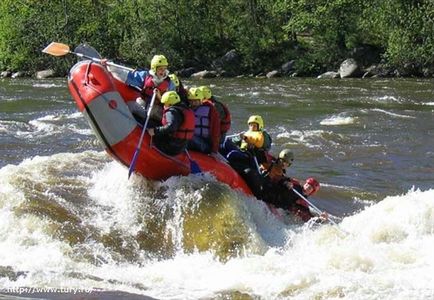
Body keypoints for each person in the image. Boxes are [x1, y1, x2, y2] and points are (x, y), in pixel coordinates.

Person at [147, 91, 195, 156]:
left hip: (170, 148)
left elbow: (171, 126)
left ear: (169, 104)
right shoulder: (184, 108)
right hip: (181, 146)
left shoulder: (172, 112)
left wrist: (155, 131)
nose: (164, 105)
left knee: (151, 125)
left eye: (165, 104)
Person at [186, 87, 221, 154]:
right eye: (191, 101)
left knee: (189, 137)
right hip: (193, 142)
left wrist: (214, 150)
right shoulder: (188, 109)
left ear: (201, 100)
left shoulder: (210, 110)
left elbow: (216, 131)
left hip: (205, 144)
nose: (193, 103)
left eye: (196, 101)